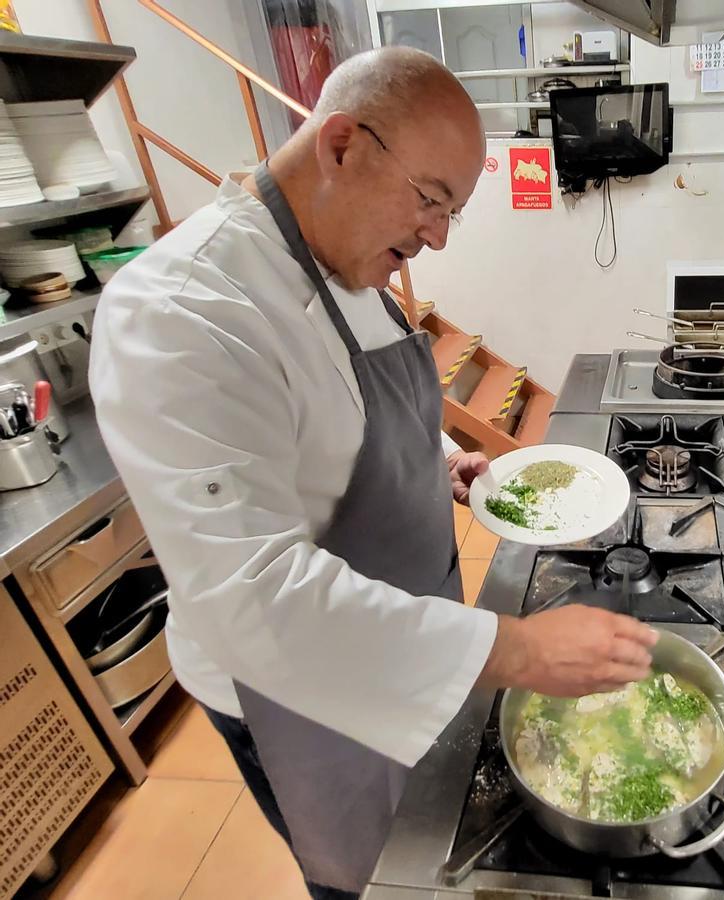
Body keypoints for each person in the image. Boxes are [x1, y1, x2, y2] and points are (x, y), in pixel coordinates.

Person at [90, 48, 657, 899]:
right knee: (374, 875)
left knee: (428, 829)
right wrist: (519, 648)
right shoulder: (184, 314)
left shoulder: (347, 255)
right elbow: (253, 596)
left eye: (451, 215)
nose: (433, 234)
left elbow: (348, 410)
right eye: (431, 199)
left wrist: (433, 460)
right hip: (293, 685)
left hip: (405, 631)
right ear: (343, 143)